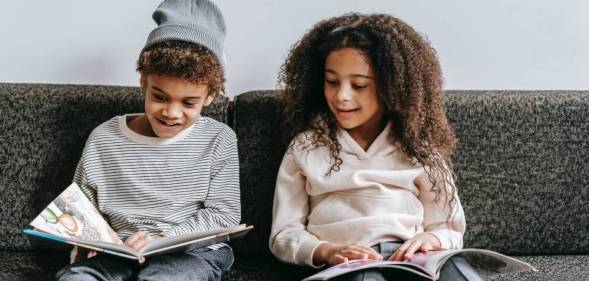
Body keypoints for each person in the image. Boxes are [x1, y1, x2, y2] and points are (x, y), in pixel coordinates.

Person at [269, 13, 482, 281]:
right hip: (350, 263)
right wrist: (325, 251)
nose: (341, 96)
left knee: (458, 273)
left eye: (359, 85)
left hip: (413, 258)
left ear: (392, 89)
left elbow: (449, 227)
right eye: (332, 81)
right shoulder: (306, 147)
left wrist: (432, 238)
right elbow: (284, 233)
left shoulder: (419, 149)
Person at [55, 0, 240, 280]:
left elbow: (223, 216)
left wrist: (162, 239)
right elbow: (82, 208)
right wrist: (85, 242)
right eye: (159, 97)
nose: (171, 113)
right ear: (143, 82)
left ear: (211, 96)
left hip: (190, 253)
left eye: (189, 103)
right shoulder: (104, 138)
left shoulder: (219, 139)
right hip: (121, 250)